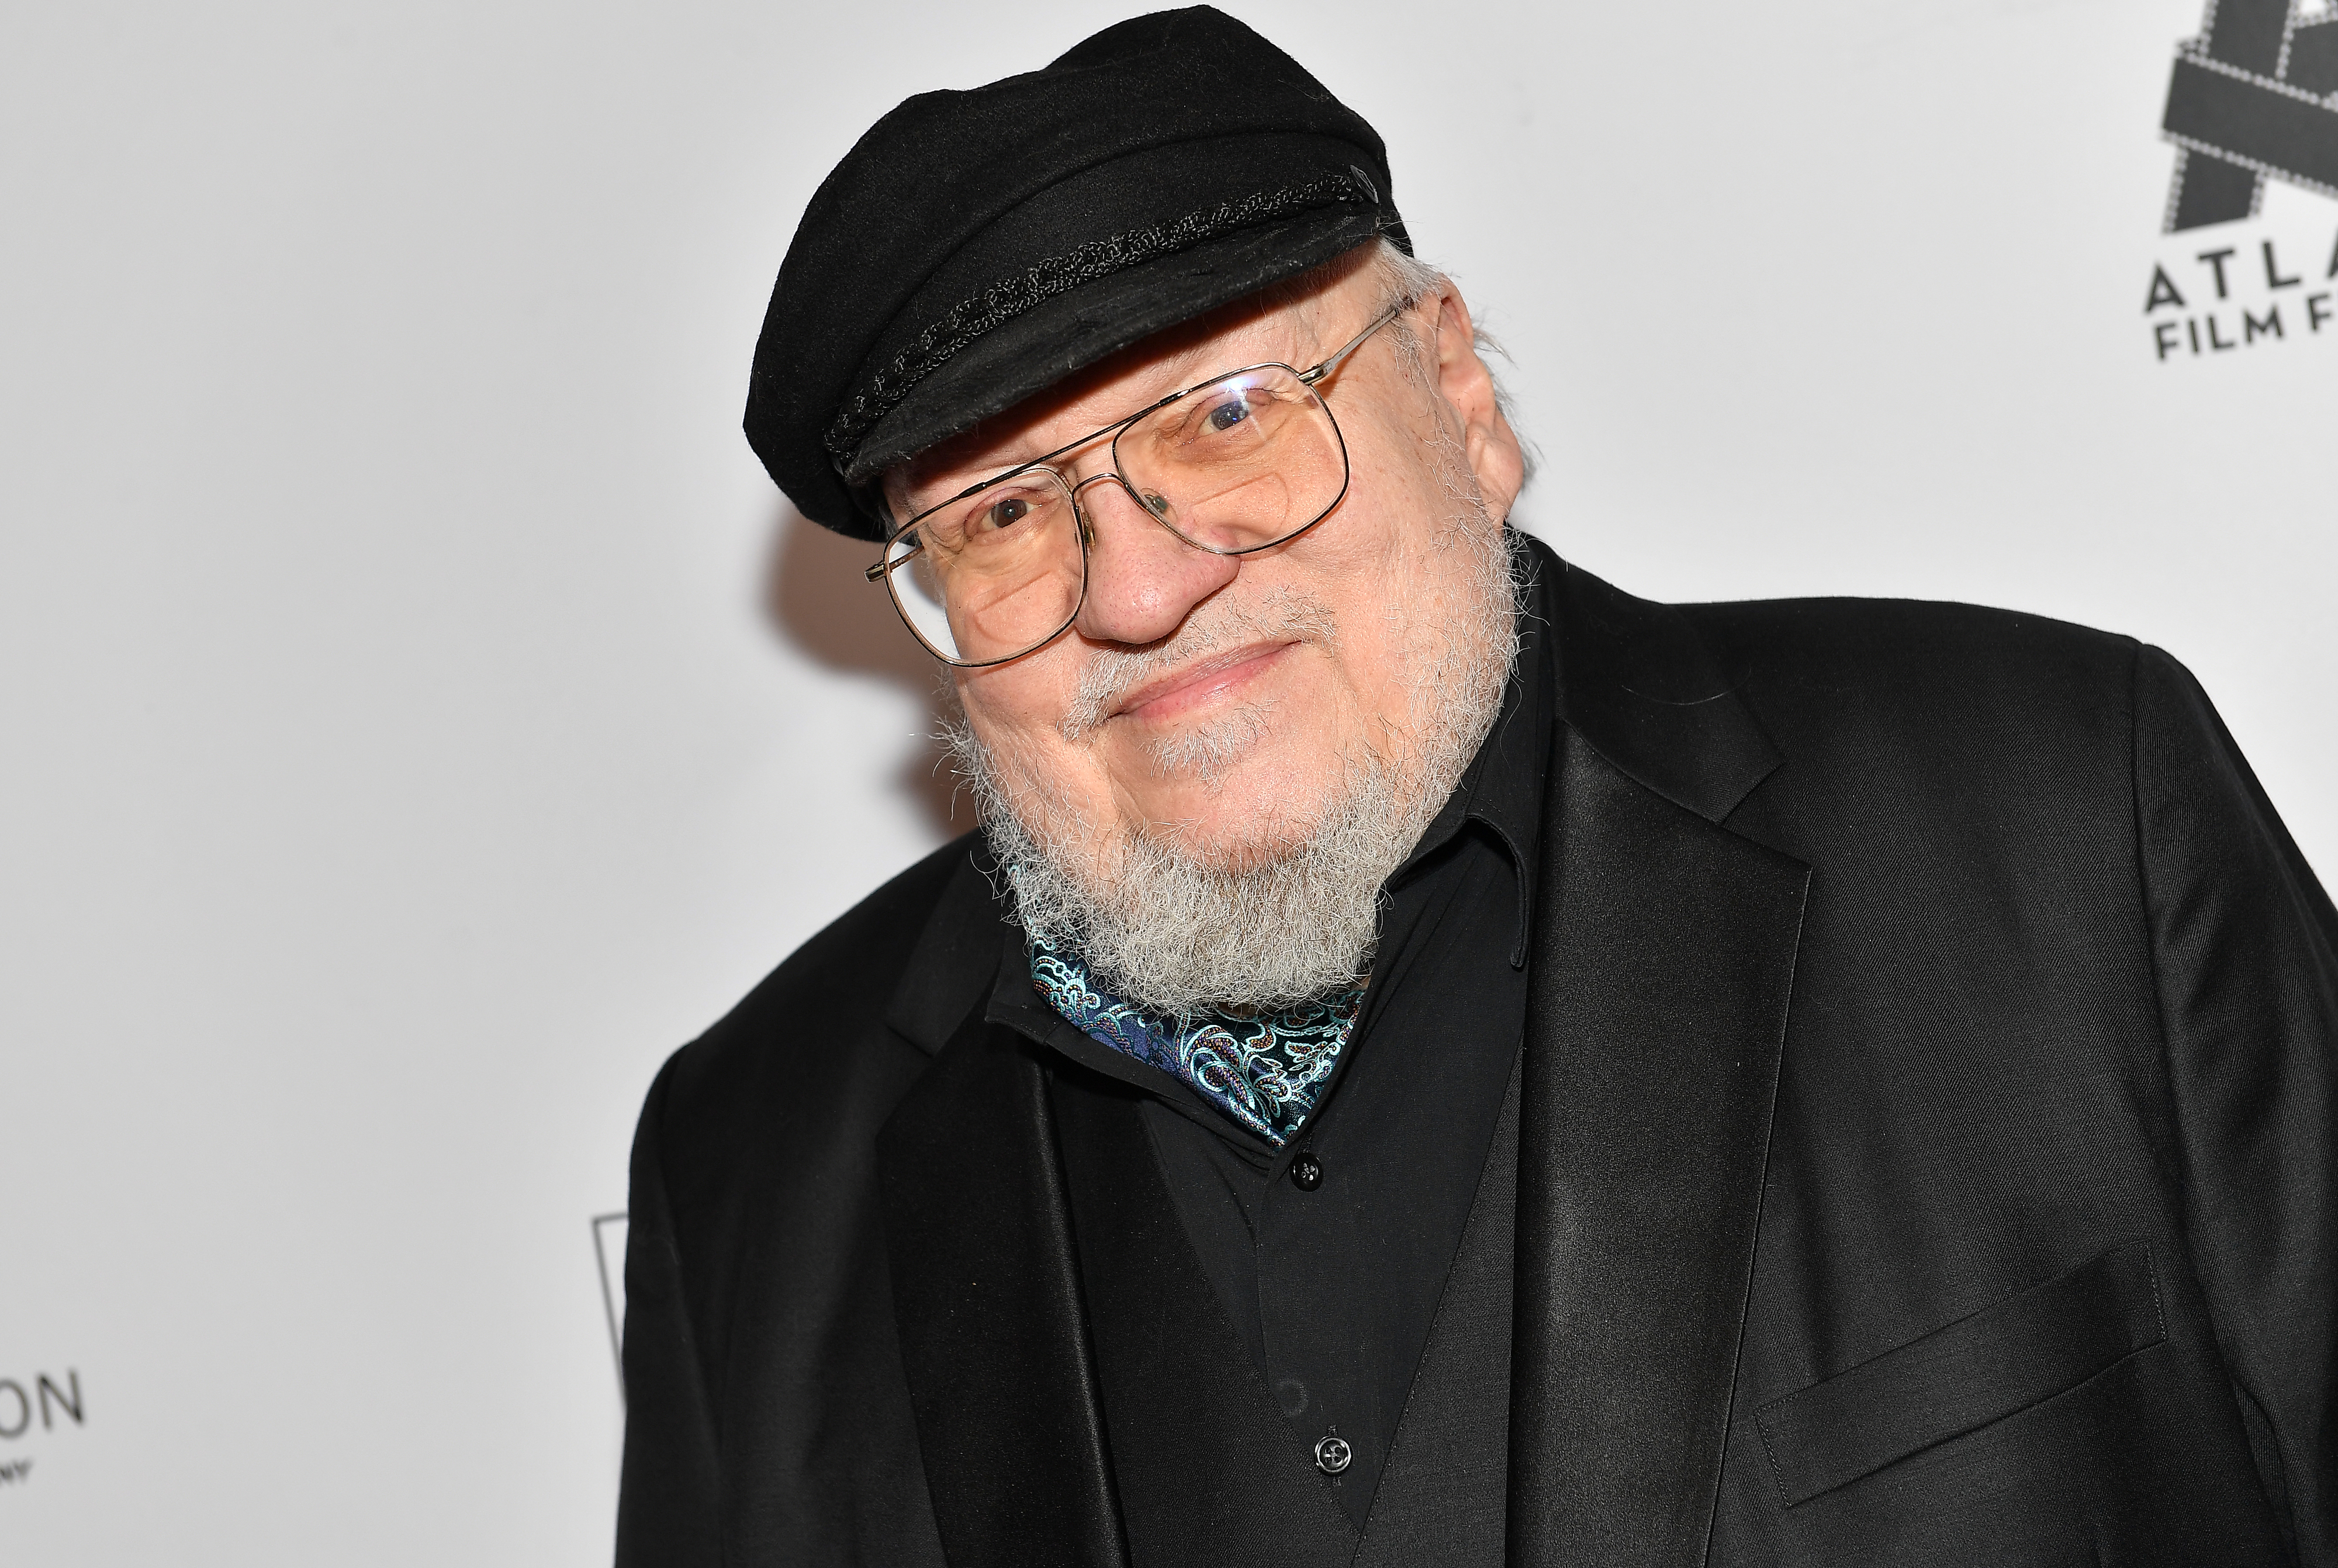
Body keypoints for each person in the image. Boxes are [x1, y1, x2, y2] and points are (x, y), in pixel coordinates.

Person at [614, 10, 2336, 1565]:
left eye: (1227, 416)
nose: (1135, 590)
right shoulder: (758, 1167)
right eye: (1000, 513)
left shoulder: (2056, 827)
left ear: (1455, 389)